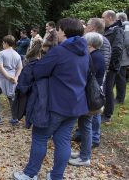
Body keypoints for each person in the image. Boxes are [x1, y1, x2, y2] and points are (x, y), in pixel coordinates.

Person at [13, 18, 89, 180]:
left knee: (40, 137)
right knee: (62, 141)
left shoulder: (60, 51)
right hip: (75, 105)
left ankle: (29, 174)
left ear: (65, 31)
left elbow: (39, 70)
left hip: (55, 104)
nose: (58, 33)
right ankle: (56, 176)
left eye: (59, 30)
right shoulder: (85, 52)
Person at [72, 18, 111, 148]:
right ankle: (87, 139)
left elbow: (91, 72)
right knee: (91, 116)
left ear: (90, 45)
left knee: (92, 115)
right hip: (94, 86)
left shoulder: (96, 56)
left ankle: (92, 140)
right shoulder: (94, 54)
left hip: (93, 89)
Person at [69, 32, 105, 167]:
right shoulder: (96, 56)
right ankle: (84, 154)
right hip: (90, 96)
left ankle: (85, 157)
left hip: (89, 97)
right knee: (85, 126)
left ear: (89, 44)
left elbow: (86, 76)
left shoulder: (94, 57)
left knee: (86, 126)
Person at [0, 35, 23, 126]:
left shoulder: (2, 53)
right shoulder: (17, 54)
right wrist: (15, 78)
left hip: (0, 78)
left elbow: (0, 66)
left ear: (6, 43)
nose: (2, 44)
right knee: (11, 98)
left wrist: (8, 77)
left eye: (3, 43)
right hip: (12, 79)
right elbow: (20, 68)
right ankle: (15, 118)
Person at [102, 10, 124, 123]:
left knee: (108, 89)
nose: (102, 19)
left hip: (111, 66)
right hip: (106, 64)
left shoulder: (117, 30)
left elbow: (117, 49)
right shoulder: (107, 30)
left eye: (103, 17)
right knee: (105, 88)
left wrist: (109, 64)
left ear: (110, 18)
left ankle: (108, 114)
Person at [115, 12, 129, 104]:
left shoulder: (126, 28)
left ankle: (120, 98)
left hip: (123, 58)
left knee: (120, 79)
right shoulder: (123, 27)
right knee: (120, 78)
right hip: (122, 57)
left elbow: (128, 43)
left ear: (120, 19)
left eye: (116, 19)